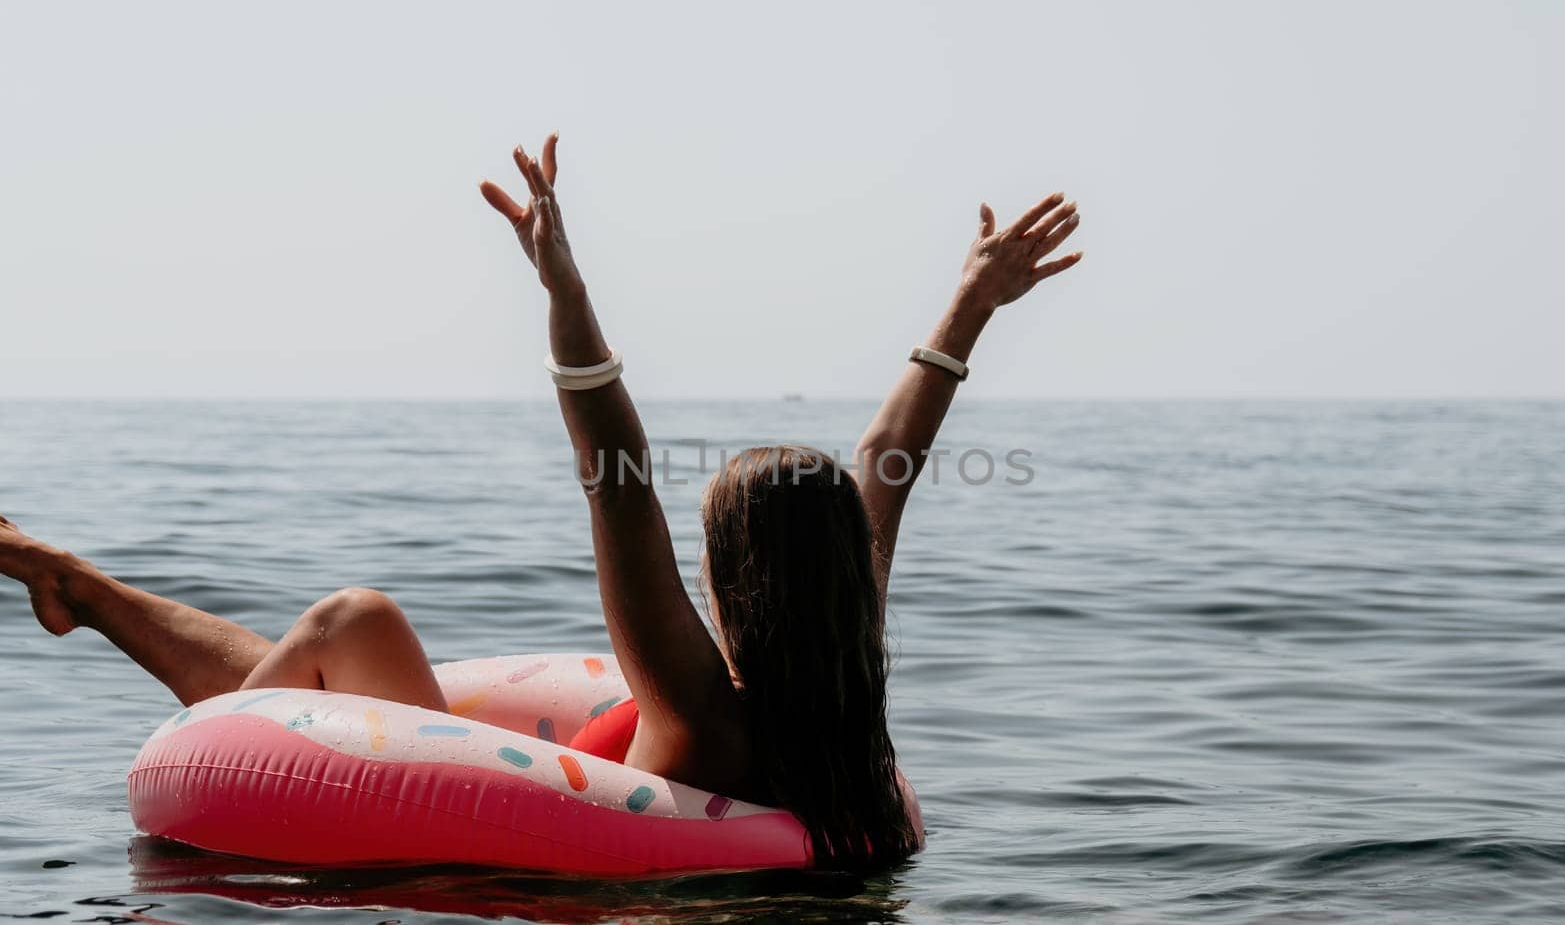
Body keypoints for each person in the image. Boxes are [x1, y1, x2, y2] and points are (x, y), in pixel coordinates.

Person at [0, 132, 1082, 870]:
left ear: (734, 577)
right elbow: (889, 451)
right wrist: (971, 305)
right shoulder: (846, 666)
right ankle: (79, 587)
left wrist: (564, 296)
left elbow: (620, 484)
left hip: (538, 857)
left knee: (353, 620)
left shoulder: (699, 705)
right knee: (348, 642)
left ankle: (86, 596)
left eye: (707, 545)